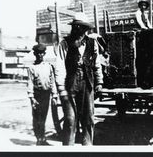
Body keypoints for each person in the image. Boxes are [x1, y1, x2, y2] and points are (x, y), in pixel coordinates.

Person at [54, 12, 103, 145]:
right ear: (73, 28)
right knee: (70, 120)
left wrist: (99, 82)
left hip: (87, 83)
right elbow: (59, 66)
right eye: (76, 27)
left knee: (88, 119)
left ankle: (87, 146)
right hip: (70, 83)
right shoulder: (64, 44)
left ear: (86, 29)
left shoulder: (92, 43)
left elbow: (96, 64)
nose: (79, 30)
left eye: (82, 27)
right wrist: (61, 89)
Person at [27, 43, 58, 145]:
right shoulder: (31, 68)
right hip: (37, 95)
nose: (40, 55)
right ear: (35, 54)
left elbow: (52, 81)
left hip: (46, 94)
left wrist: (54, 95)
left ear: (44, 54)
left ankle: (43, 138)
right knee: (37, 117)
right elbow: (30, 82)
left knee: (43, 117)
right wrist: (31, 97)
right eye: (38, 53)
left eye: (42, 53)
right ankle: (39, 139)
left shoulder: (48, 66)